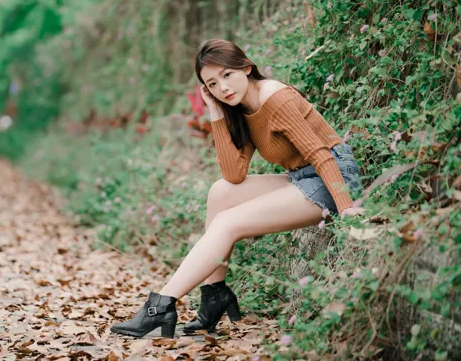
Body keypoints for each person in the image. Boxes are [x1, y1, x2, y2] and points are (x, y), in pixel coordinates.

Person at [110, 38, 365, 338]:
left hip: (333, 175)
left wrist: (347, 207)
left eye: (227, 75)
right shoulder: (240, 107)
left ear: (246, 67)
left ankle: (161, 304)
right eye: (213, 84)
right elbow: (234, 174)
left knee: (227, 223)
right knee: (220, 192)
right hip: (302, 176)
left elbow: (319, 153)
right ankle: (214, 294)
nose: (223, 88)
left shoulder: (275, 97)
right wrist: (216, 113)